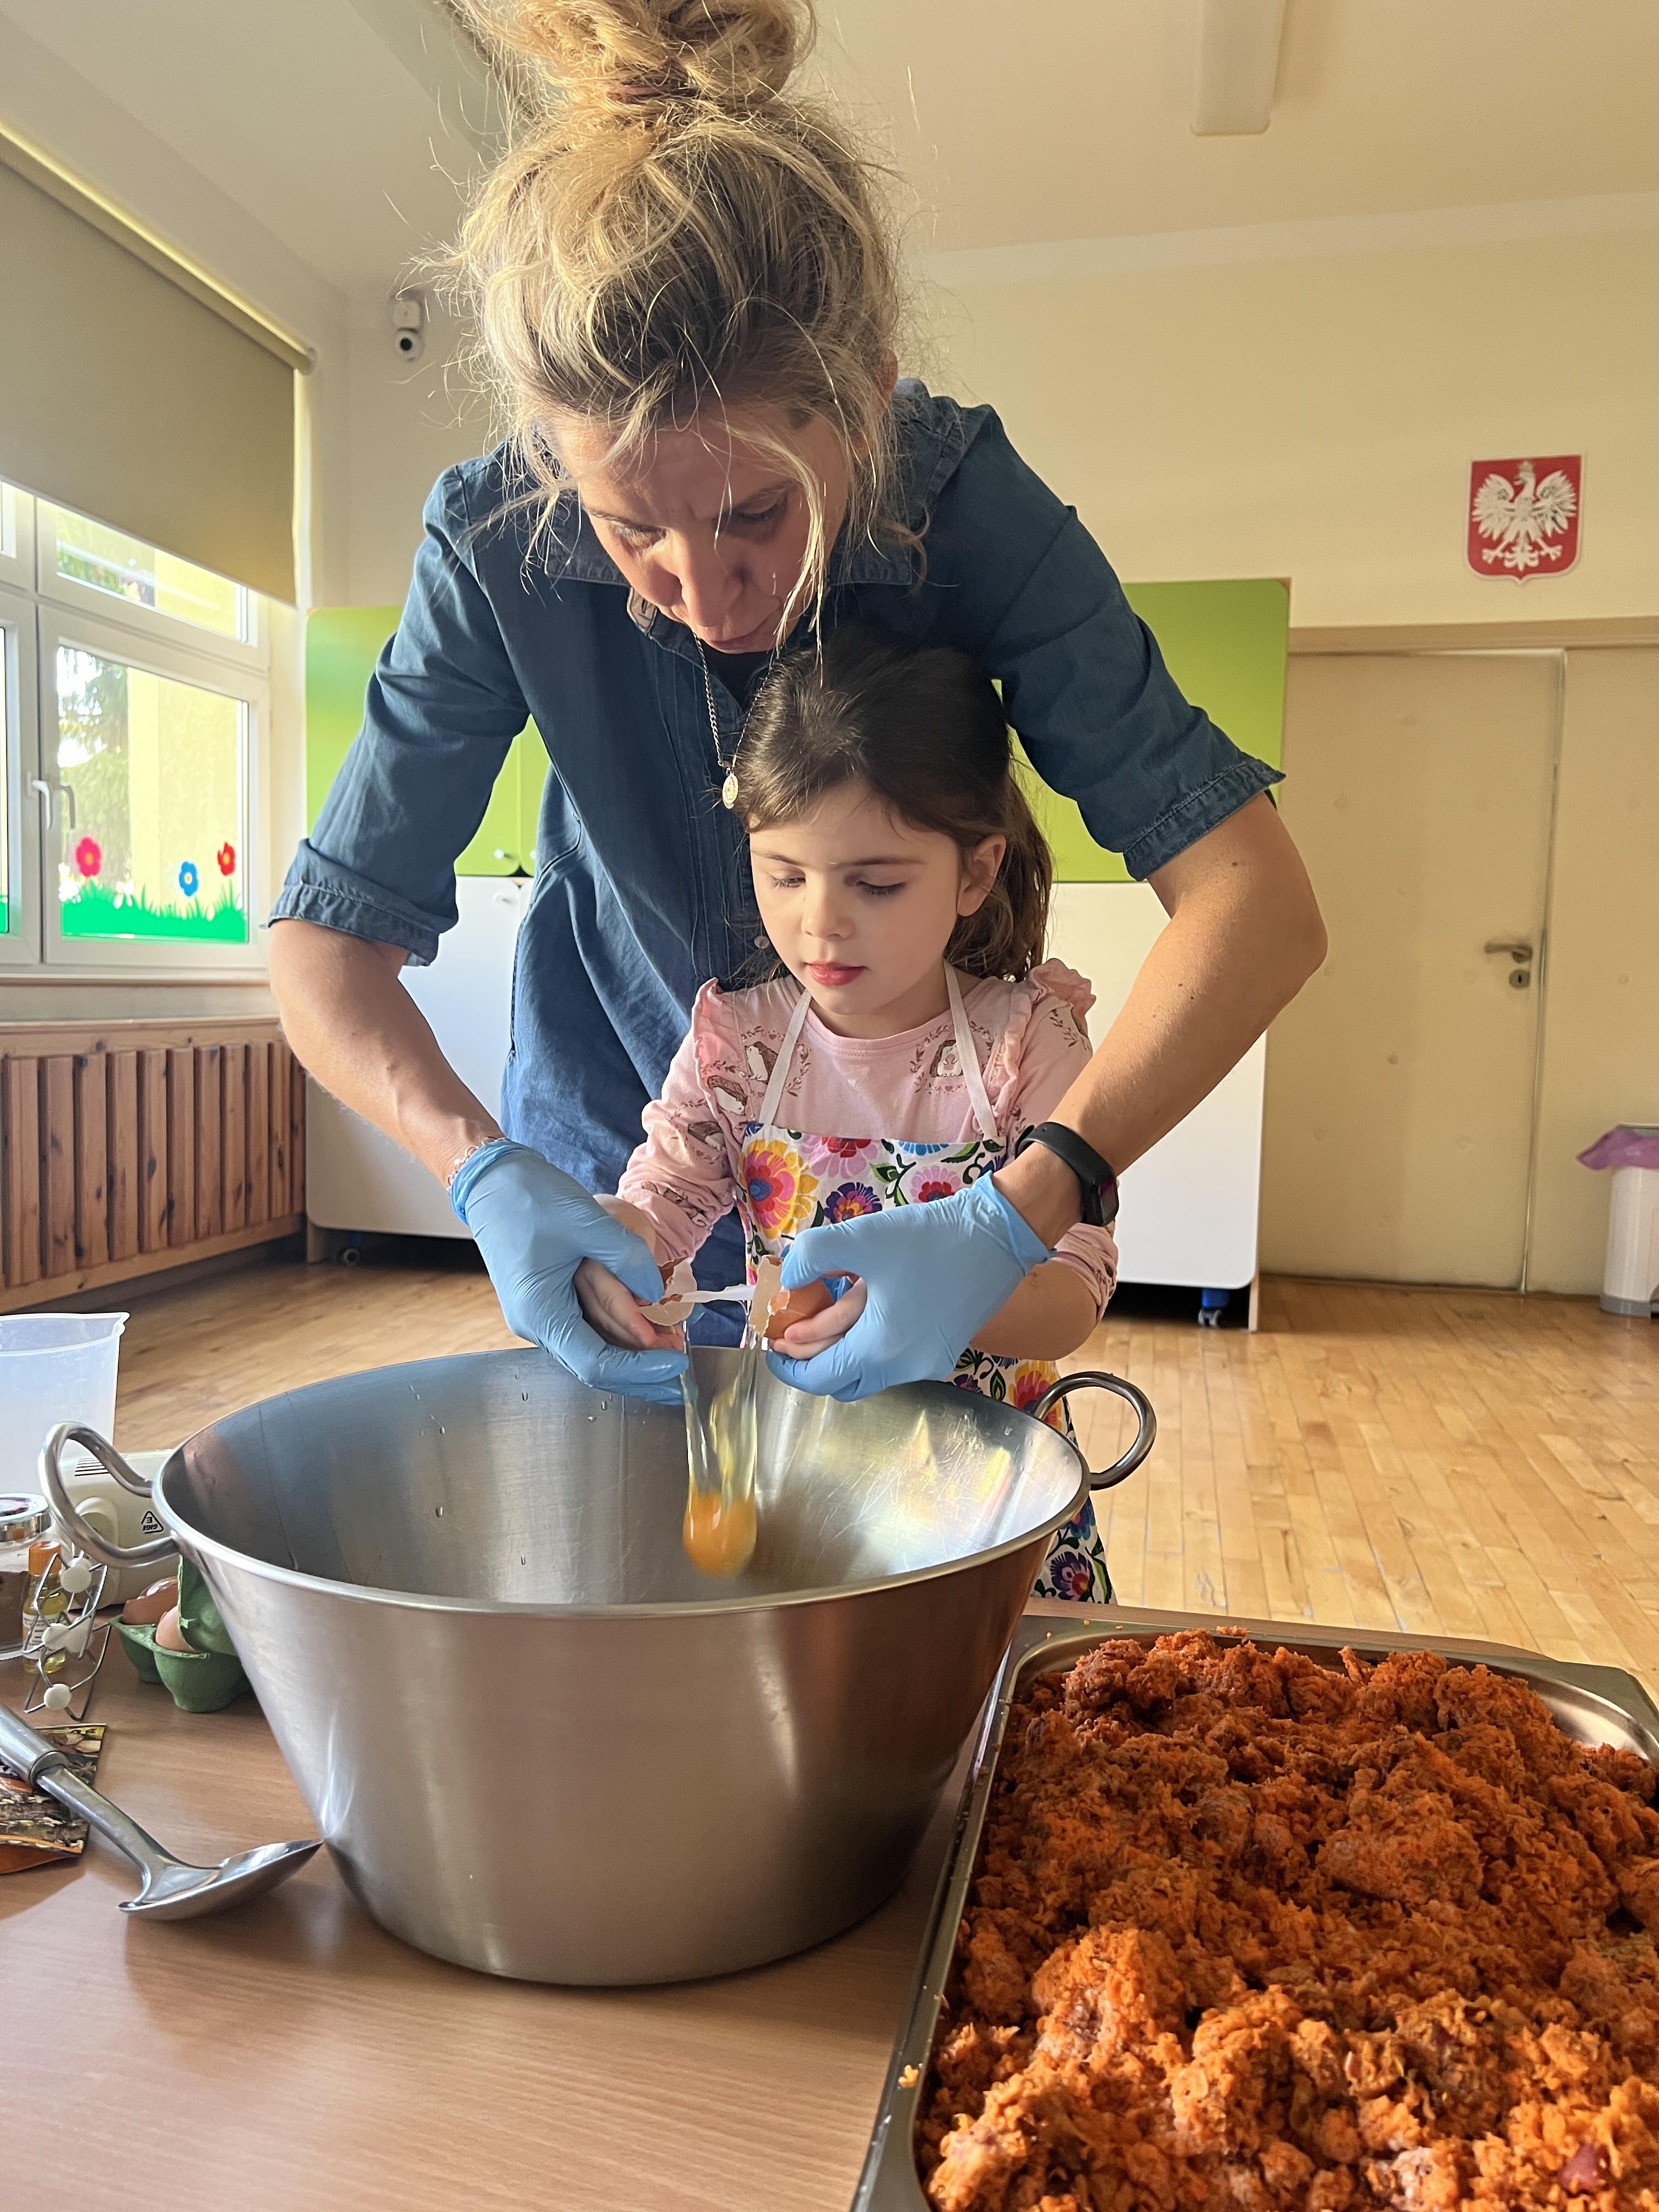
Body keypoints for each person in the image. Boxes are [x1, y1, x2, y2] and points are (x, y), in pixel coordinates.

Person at [269, 0, 1325, 1404]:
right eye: (627, 531)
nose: (704, 597)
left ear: (869, 407)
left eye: (756, 514)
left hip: (925, 1177)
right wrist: (479, 1170)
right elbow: (324, 949)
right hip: (625, 1164)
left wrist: (1024, 1206)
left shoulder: (966, 508)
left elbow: (1257, 907)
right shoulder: (493, 540)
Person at [571, 624, 1118, 1599]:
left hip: (990, 1502)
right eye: (784, 874)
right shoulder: (739, 1047)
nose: (819, 922)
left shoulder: (1026, 1046)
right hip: (805, 1488)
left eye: (876, 883)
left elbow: (1072, 1296)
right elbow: (662, 1200)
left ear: (976, 872)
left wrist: (953, 1291)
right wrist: (614, 1248)